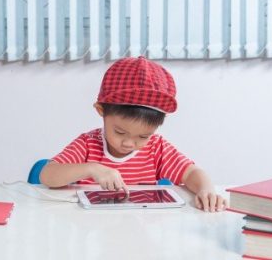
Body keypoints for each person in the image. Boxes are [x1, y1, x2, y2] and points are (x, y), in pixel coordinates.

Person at [40, 56, 227, 212]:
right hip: (93, 227)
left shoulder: (156, 148)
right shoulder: (88, 144)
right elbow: (47, 175)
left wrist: (206, 189)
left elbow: (191, 173)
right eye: (120, 131)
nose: (129, 143)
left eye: (143, 136)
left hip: (140, 229)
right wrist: (92, 168)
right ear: (101, 111)